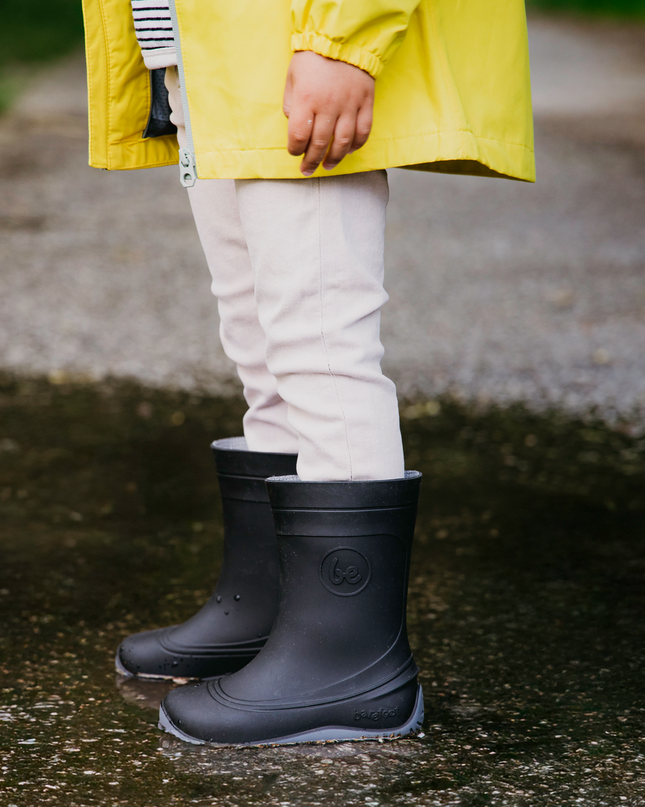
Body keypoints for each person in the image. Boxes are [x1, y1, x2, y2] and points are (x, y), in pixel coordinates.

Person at [81, 0, 534, 745]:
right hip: (205, 47)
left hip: (292, 37)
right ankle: (274, 608)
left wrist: (341, 41)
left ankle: (350, 662)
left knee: (320, 340)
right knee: (261, 341)